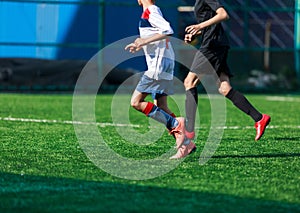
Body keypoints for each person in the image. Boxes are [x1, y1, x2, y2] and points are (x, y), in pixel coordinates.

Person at [179, 0, 271, 158]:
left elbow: (223, 14)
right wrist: (196, 33)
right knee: (224, 88)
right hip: (215, 43)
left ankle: (189, 130)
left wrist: (199, 26)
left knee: (189, 82)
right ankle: (259, 118)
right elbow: (211, 23)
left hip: (213, 46)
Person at [125, 0, 196, 159]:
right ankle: (186, 145)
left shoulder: (151, 10)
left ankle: (177, 124)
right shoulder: (148, 12)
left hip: (158, 66)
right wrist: (139, 43)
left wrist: (143, 41)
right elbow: (156, 35)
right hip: (164, 63)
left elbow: (167, 29)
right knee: (161, 106)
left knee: (136, 102)